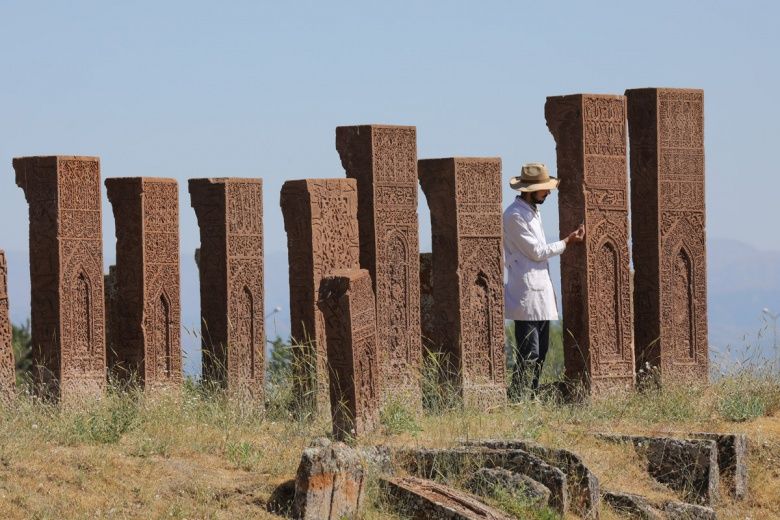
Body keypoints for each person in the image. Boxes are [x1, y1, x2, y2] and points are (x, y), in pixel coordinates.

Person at [503, 163, 584, 397]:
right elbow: (536, 252)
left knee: (542, 352)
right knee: (529, 353)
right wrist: (567, 242)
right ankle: (518, 396)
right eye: (544, 189)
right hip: (526, 293)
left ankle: (531, 394)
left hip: (541, 292)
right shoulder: (514, 215)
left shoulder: (531, 212)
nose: (548, 193)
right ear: (530, 189)